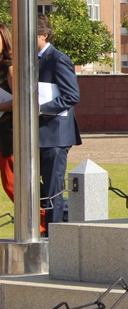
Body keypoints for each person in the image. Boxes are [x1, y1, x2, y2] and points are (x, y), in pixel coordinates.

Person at [35, 15, 82, 236]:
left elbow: (71, 96)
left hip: (55, 136)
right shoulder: (31, 58)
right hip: (35, 134)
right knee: (38, 188)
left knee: (53, 188)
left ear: (44, 35)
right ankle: (45, 229)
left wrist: (41, 108)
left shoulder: (58, 59)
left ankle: (55, 235)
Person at [0, 23, 14, 201]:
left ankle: (43, 224)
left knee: (12, 184)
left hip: (7, 134)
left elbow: (19, 102)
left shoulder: (10, 66)